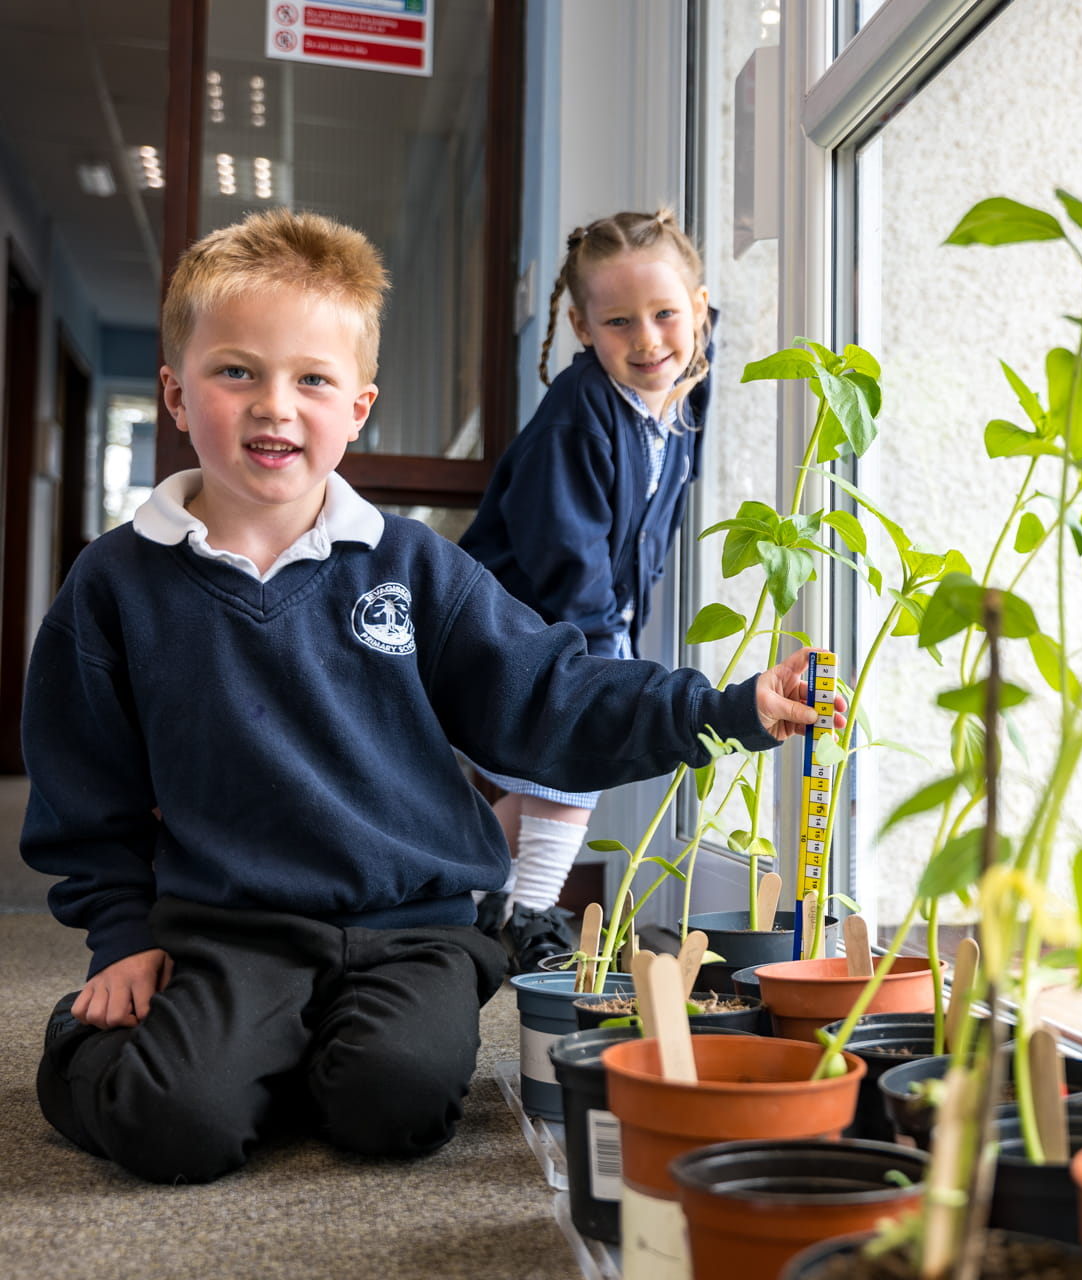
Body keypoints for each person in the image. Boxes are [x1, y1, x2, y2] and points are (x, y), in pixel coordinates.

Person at [21, 208, 826, 1185]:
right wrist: (121, 939)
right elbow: (85, 786)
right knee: (176, 1126)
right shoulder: (116, 582)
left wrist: (726, 707)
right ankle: (127, 1049)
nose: (276, 405)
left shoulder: (411, 566)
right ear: (177, 396)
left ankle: (276, 1054)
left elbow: (550, 691)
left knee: (393, 1103)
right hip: (235, 923)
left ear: (358, 407)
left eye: (312, 378)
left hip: (418, 925)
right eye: (238, 371)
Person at [459, 209, 717, 974]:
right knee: (581, 756)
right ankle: (531, 911)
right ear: (580, 326)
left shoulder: (675, 393)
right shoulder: (579, 413)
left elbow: (696, 341)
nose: (647, 341)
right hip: (517, 620)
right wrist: (602, 654)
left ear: (698, 309)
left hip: (577, 616)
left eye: (667, 314)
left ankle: (470, 896)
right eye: (618, 322)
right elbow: (565, 553)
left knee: (546, 781)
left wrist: (700, 324)